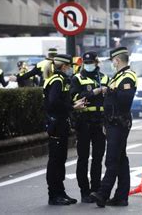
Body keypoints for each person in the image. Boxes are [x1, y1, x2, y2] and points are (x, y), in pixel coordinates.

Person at [90, 47, 137, 208]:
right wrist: (105, 123)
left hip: (119, 122)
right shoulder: (117, 77)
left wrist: (109, 91)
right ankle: (121, 197)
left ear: (117, 60)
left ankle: (103, 193)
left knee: (112, 159)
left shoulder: (128, 77)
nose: (112, 63)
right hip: (112, 122)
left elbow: (124, 100)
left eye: (112, 61)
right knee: (121, 159)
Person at [43, 54, 86, 206]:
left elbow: (60, 101)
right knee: (55, 161)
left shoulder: (59, 79)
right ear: (64, 66)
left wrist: (74, 102)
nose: (71, 69)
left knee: (60, 160)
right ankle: (54, 195)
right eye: (70, 66)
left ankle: (60, 192)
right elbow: (53, 102)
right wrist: (72, 107)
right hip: (56, 125)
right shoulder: (57, 80)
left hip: (60, 124)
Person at [70, 52, 109, 203]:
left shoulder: (104, 78)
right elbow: (76, 98)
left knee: (98, 158)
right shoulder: (77, 78)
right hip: (84, 122)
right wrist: (94, 92)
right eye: (86, 62)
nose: (88, 64)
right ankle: (84, 192)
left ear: (96, 62)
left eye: (91, 61)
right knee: (83, 158)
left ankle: (95, 190)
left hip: (100, 122)